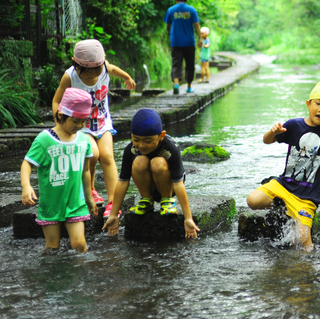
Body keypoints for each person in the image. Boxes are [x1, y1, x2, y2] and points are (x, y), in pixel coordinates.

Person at [246, 81, 320, 250]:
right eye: (318, 103)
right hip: (284, 185)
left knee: (304, 243)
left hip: (308, 197)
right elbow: (267, 141)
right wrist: (273, 132)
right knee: (252, 200)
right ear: (308, 104)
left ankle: (307, 271)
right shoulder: (294, 125)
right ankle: (281, 204)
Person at [52, 39, 135, 218]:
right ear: (76, 65)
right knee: (92, 154)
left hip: (102, 121)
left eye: (96, 71)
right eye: (88, 73)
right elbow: (57, 100)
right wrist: (60, 122)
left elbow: (113, 69)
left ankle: (113, 201)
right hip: (80, 124)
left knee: (107, 155)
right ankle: (89, 189)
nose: (93, 75)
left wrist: (127, 76)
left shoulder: (103, 67)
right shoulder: (70, 76)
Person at [102, 109, 200, 239]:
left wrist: (188, 218)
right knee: (139, 161)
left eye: (148, 141)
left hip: (168, 187)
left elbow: (178, 183)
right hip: (148, 186)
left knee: (157, 162)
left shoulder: (170, 148)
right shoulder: (131, 150)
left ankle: (167, 201)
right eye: (136, 139)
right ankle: (146, 199)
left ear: (161, 135)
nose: (141, 145)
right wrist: (113, 215)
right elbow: (123, 181)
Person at [21, 87, 98, 252]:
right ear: (61, 115)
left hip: (75, 203)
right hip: (51, 204)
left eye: (83, 121)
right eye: (75, 120)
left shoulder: (84, 140)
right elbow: (27, 163)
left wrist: (89, 197)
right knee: (52, 247)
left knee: (79, 244)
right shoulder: (44, 139)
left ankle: (82, 274)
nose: (79, 125)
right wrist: (26, 186)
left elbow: (85, 171)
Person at [164, 0, 201, 95]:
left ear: (176, 0)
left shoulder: (171, 10)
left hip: (176, 42)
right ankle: (189, 87)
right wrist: (200, 38)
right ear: (186, 0)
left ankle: (176, 84)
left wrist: (169, 32)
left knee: (176, 63)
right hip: (189, 42)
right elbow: (197, 25)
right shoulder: (192, 10)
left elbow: (168, 25)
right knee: (190, 64)